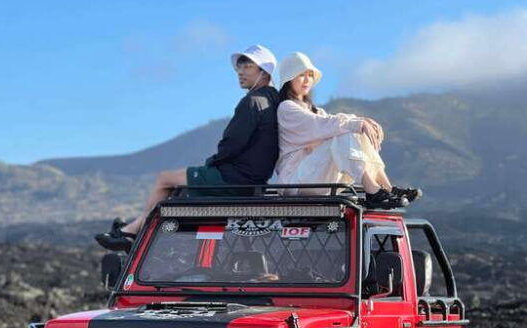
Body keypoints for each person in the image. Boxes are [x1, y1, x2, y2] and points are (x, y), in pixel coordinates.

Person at [96, 44, 279, 251]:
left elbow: (233, 143)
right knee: (178, 189)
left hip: (234, 178)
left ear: (263, 70)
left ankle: (134, 233)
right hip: (254, 178)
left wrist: (213, 163)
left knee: (164, 179)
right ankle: (134, 228)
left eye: (247, 67)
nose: (240, 72)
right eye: (239, 67)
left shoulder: (253, 101)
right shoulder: (274, 100)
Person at [274, 52, 420, 208]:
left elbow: (330, 123)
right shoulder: (286, 108)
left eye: (310, 75)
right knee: (345, 131)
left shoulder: (316, 110)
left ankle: (386, 188)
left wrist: (361, 123)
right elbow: (322, 124)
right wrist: (358, 123)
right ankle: (373, 191)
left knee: (350, 129)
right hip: (295, 182)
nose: (307, 80)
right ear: (289, 78)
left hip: (314, 177)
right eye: (301, 75)